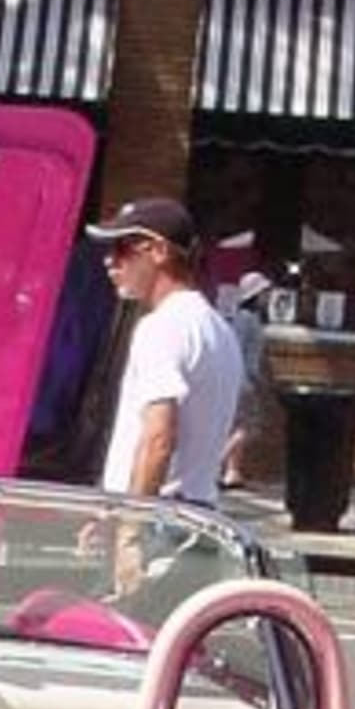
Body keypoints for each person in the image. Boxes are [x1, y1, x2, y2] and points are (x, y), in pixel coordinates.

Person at [85, 196, 242, 511]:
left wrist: (130, 526)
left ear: (159, 251)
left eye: (122, 249)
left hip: (159, 519)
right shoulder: (219, 330)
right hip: (196, 510)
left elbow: (158, 438)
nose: (109, 261)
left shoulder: (161, 328)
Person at [219, 269, 273, 491]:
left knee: (236, 426)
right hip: (244, 382)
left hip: (240, 381)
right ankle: (216, 463)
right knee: (248, 427)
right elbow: (241, 352)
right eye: (265, 292)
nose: (268, 297)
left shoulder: (242, 318)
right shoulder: (247, 320)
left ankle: (233, 471)